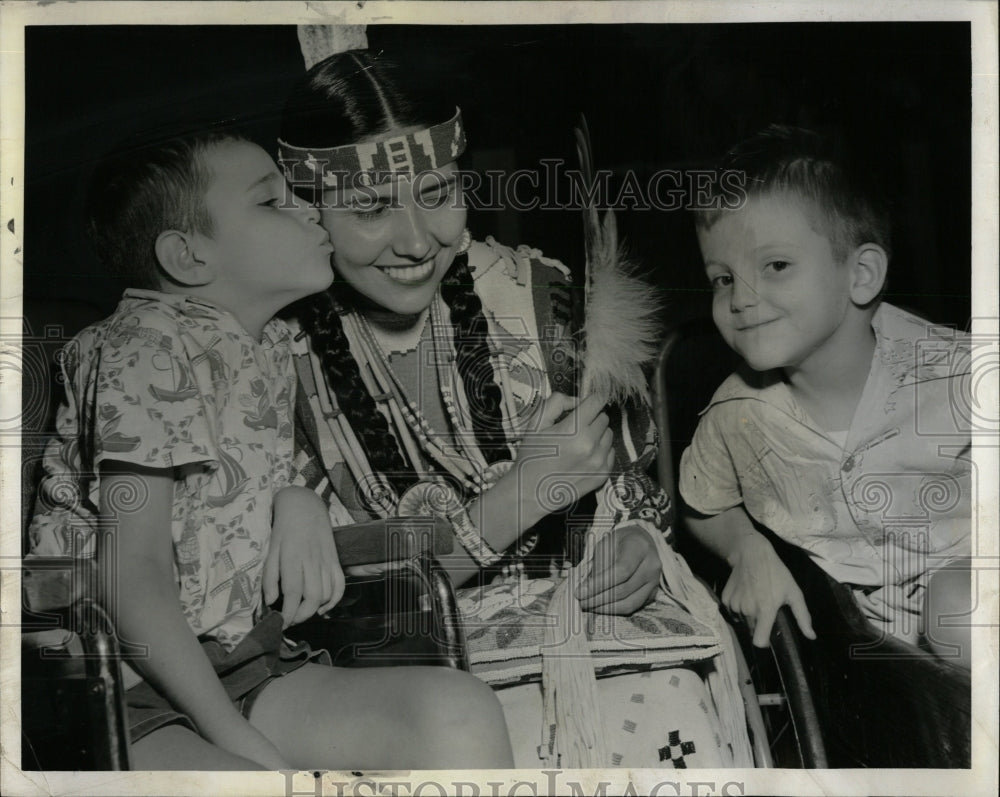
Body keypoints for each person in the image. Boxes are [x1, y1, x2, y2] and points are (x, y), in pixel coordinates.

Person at [275, 49, 753, 767]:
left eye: (436, 193)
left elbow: (633, 497)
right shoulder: (275, 360)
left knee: (674, 712)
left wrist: (639, 553)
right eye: (370, 208)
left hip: (595, 637)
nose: (414, 240)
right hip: (407, 693)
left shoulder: (538, 295)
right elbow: (339, 614)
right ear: (310, 211)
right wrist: (519, 499)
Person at [28, 127, 514, 770]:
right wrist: (234, 736)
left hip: (240, 662)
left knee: (459, 710)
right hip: (112, 684)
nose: (311, 209)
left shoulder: (270, 347)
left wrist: (297, 502)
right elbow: (131, 570)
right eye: (272, 201)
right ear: (188, 257)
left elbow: (244, 488)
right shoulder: (142, 346)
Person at [681, 125, 972, 667]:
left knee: (958, 611)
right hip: (864, 664)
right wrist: (747, 547)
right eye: (722, 278)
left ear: (860, 274)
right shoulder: (734, 413)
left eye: (776, 266)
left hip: (971, 601)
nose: (742, 299)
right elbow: (703, 503)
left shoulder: (960, 374)